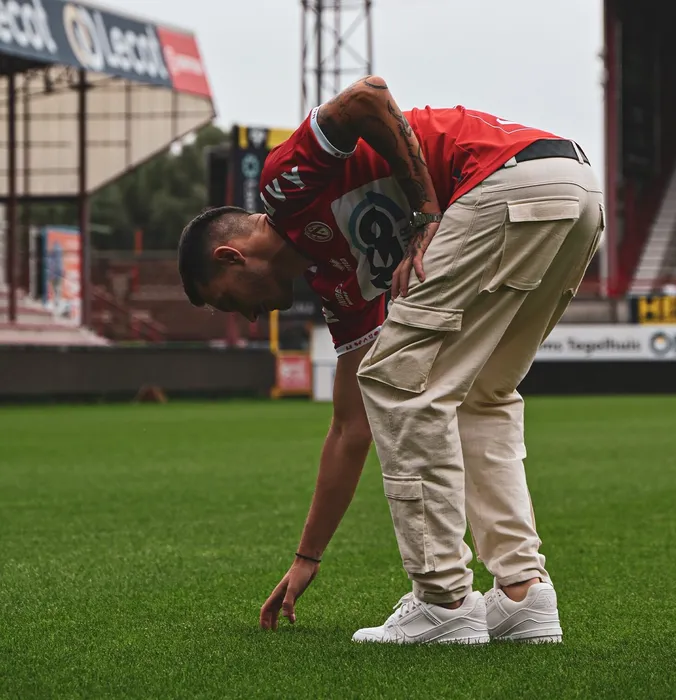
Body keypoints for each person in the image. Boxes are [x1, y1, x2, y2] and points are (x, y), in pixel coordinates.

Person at [177, 75, 605, 644]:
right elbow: (350, 428)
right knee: (482, 393)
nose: (251, 317)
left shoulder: (282, 186)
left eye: (232, 301)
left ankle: (443, 600)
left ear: (231, 257)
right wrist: (308, 556)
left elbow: (368, 96)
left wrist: (427, 212)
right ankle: (523, 593)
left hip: (502, 182)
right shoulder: (339, 287)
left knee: (401, 380)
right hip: (571, 189)